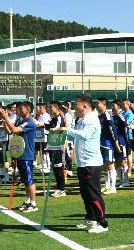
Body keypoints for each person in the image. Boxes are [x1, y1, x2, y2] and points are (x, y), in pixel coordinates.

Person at [64, 95, 109, 233]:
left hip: (91, 163)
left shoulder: (91, 119)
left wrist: (67, 130)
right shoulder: (82, 119)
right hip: (83, 163)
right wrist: (60, 133)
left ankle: (102, 223)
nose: (73, 107)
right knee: (85, 193)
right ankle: (91, 218)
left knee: (93, 193)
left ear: (84, 106)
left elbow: (85, 135)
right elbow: (75, 135)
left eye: (76, 104)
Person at [0, 101, 39, 213]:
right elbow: (10, 131)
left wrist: (6, 117)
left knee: (29, 179)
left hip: (27, 155)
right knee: (25, 180)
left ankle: (33, 203)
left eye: (21, 109)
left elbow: (15, 130)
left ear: (28, 110)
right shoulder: (21, 121)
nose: (18, 110)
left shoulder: (29, 122)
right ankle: (28, 200)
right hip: (20, 154)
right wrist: (4, 120)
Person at [95, 97, 120, 195]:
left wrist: (116, 143)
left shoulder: (107, 116)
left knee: (110, 165)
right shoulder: (99, 116)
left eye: (98, 103)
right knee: (105, 166)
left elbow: (113, 130)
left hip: (107, 144)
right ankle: (106, 186)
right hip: (101, 144)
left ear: (103, 104)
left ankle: (113, 187)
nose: (96, 105)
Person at [46, 101, 68, 197]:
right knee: (55, 167)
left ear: (57, 108)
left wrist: (56, 129)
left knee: (59, 167)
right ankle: (59, 187)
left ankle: (61, 189)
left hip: (59, 145)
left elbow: (63, 129)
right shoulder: (54, 118)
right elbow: (50, 127)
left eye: (51, 107)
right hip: (52, 144)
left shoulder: (61, 118)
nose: (50, 109)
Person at [111, 100, 131, 188]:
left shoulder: (121, 116)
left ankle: (126, 181)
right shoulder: (113, 117)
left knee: (123, 161)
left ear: (118, 107)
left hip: (121, 141)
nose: (112, 108)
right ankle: (121, 180)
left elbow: (125, 125)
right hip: (115, 142)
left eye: (114, 106)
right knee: (117, 162)